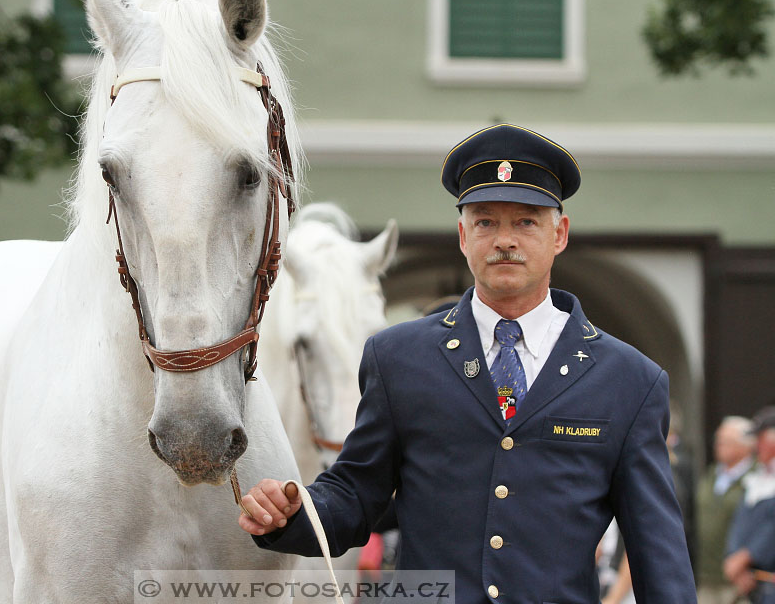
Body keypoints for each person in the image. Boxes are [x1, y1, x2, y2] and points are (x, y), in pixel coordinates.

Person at [238, 123, 697, 602]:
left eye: (525, 221)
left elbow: (657, 552)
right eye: (485, 222)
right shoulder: (398, 359)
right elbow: (356, 495)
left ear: (559, 234)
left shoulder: (629, 380)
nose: (504, 240)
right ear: (462, 235)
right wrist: (292, 514)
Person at [696, 416, 756, 604]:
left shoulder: (759, 478)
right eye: (718, 440)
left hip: (739, 581)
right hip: (705, 577)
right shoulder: (711, 474)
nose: (719, 445)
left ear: (746, 446)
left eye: (727, 441)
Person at [725, 408, 775, 604]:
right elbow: (739, 522)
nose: (756, 446)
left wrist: (746, 557)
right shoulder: (757, 478)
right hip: (754, 586)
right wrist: (733, 558)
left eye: (760, 439)